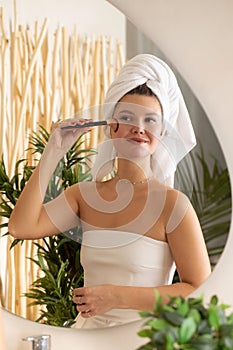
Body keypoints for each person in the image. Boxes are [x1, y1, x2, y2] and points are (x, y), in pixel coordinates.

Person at [8, 54, 211, 329]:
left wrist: (116, 296)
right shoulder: (84, 196)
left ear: (162, 131)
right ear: (109, 125)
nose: (139, 128)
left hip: (144, 341)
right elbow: (22, 227)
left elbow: (199, 293)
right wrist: (53, 153)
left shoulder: (174, 206)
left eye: (150, 120)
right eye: (127, 116)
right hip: (86, 338)